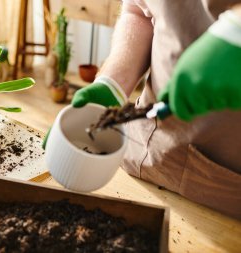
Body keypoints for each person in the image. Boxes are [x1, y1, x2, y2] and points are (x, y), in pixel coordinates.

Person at [68, 0, 241, 219]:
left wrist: (237, 32)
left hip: (228, 192)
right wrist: (114, 82)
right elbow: (139, 11)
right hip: (143, 159)